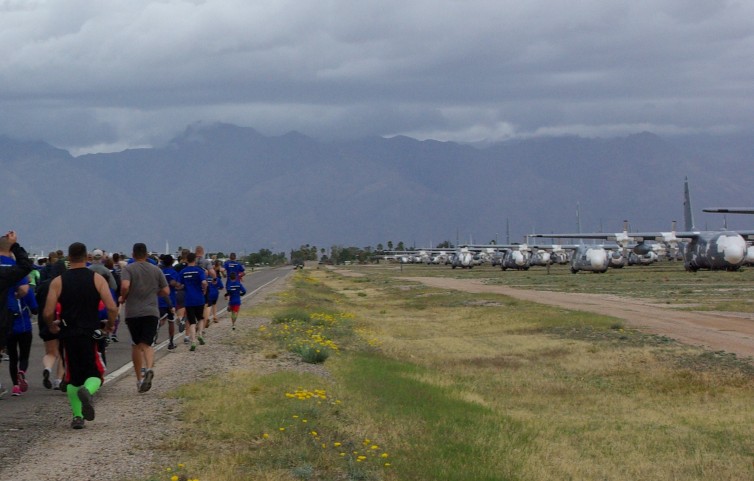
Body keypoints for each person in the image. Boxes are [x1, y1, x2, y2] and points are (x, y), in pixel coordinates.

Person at [43, 242, 118, 429]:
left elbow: (47, 312)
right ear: (87, 258)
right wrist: (109, 325)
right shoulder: (97, 279)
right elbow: (111, 307)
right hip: (90, 332)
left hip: (68, 334)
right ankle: (88, 390)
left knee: (72, 376)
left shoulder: (58, 281)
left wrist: (52, 325)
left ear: (68, 258)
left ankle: (77, 416)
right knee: (96, 373)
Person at [120, 243, 170, 393]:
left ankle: (139, 379)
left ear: (133, 254)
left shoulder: (128, 269)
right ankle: (149, 368)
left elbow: (124, 286)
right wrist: (155, 294)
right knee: (147, 344)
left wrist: (124, 297)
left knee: (136, 345)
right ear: (146, 254)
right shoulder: (156, 270)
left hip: (133, 312)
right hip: (151, 311)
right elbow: (166, 290)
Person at [0, 232, 33, 399]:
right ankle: (18, 374)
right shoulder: (9, 269)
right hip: (10, 316)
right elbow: (26, 268)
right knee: (15, 353)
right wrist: (16, 245)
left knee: (10, 353)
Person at [7, 290, 37, 396]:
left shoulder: (6, 289)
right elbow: (35, 309)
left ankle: (15, 386)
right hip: (25, 328)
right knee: (24, 356)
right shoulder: (26, 290)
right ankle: (22, 372)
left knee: (12, 358)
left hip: (9, 328)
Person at [177, 252, 207, 351]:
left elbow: (179, 285)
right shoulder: (199, 270)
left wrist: (184, 286)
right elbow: (203, 282)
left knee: (191, 321)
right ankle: (200, 335)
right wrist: (204, 288)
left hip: (188, 299)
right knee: (200, 318)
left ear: (186, 260)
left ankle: (193, 341)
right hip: (199, 298)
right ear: (195, 260)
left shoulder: (183, 271)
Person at [158, 255, 180, 351]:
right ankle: (171, 342)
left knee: (162, 319)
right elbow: (176, 284)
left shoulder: (160, 272)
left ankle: (155, 330)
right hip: (171, 299)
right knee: (171, 321)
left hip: (160, 299)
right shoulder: (173, 273)